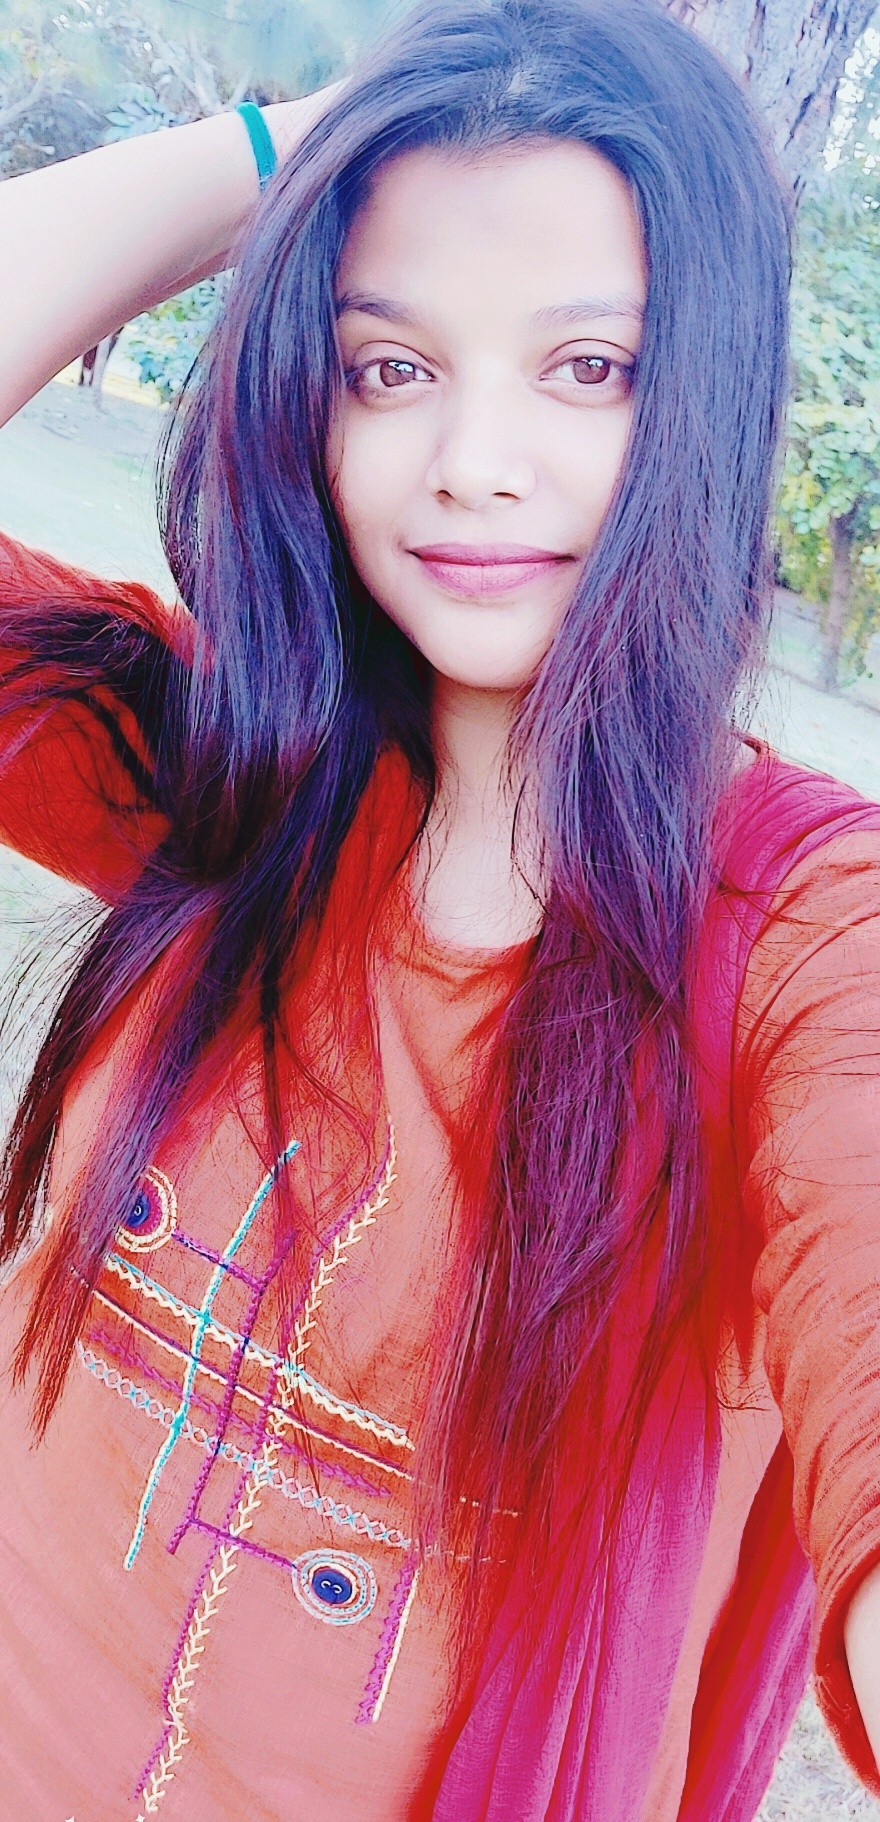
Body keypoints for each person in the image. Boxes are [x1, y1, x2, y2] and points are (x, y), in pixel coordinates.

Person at [1, 0, 880, 1816]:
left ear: (710, 392)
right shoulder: (223, 771)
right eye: (391, 365)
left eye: (590, 366)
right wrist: (299, 148)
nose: (475, 457)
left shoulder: (807, 944)